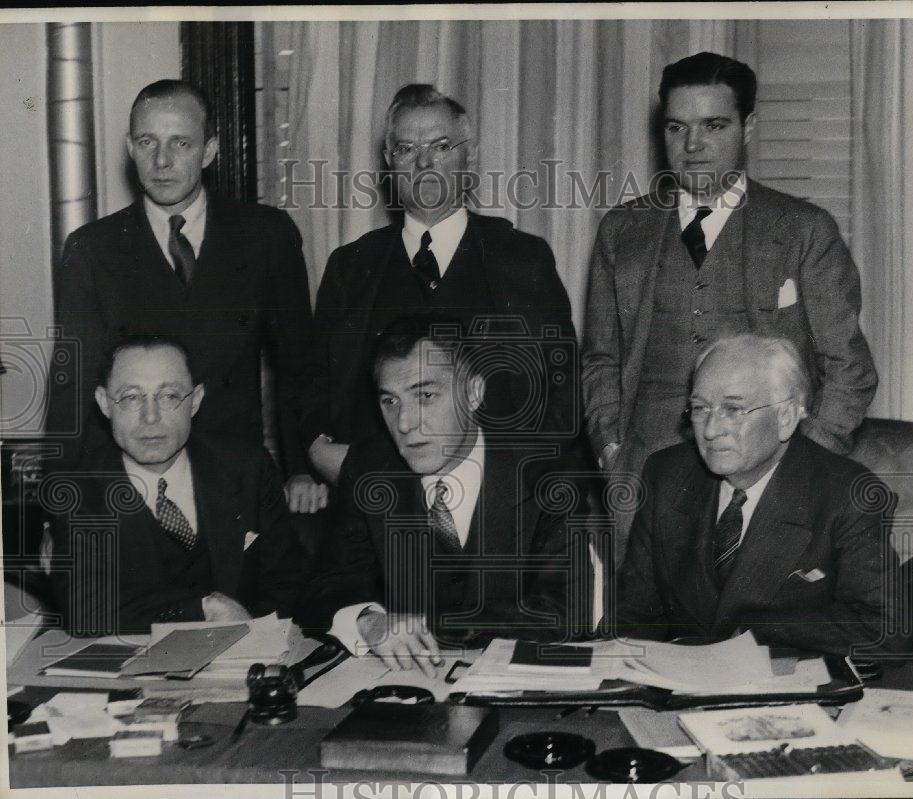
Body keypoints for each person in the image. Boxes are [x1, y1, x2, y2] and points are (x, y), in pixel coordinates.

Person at [582, 52, 877, 562]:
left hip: (764, 475)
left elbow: (849, 369)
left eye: (713, 126)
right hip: (642, 480)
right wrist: (612, 450)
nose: (692, 146)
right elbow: (600, 359)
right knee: (639, 630)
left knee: (749, 634)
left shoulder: (804, 230)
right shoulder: (622, 231)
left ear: (748, 127)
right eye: (677, 127)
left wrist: (801, 465)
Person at [45, 79, 325, 514]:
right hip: (132, 491)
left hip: (238, 484)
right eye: (147, 141)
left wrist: (303, 468)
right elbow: (72, 390)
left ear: (210, 150)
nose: (161, 160)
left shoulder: (265, 236)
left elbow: (299, 366)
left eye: (180, 143)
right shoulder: (91, 249)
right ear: (130, 148)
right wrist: (59, 510)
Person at [305, 84, 578, 489]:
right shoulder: (351, 267)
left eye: (441, 146)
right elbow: (317, 393)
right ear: (388, 163)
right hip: (375, 502)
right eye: (406, 150)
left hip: (496, 500)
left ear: (471, 156)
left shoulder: (522, 258)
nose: (424, 164)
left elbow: (560, 397)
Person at [297, 314, 590, 674]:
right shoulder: (370, 469)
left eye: (426, 395)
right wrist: (369, 622)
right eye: (390, 402)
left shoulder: (547, 473)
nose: (405, 423)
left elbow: (564, 613)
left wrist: (427, 626)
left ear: (474, 393)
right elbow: (323, 589)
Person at [613, 333, 901, 657]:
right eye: (700, 408)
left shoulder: (846, 494)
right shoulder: (667, 475)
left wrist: (763, 632)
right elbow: (632, 622)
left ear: (786, 418)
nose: (709, 430)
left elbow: (884, 629)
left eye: (734, 409)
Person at [46, 336, 303, 636]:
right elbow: (85, 611)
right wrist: (201, 609)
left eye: (168, 396)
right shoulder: (78, 493)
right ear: (105, 404)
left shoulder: (247, 468)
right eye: (131, 397)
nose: (150, 417)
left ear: (194, 401)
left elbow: (287, 581)